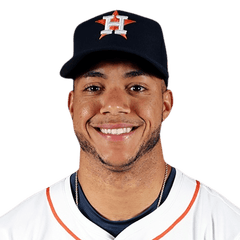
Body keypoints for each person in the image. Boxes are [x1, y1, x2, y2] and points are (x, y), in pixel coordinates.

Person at [0, 8, 240, 240]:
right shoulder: (14, 232)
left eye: (137, 87)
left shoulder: (226, 229)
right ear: (72, 106)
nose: (114, 105)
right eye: (94, 88)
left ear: (166, 104)